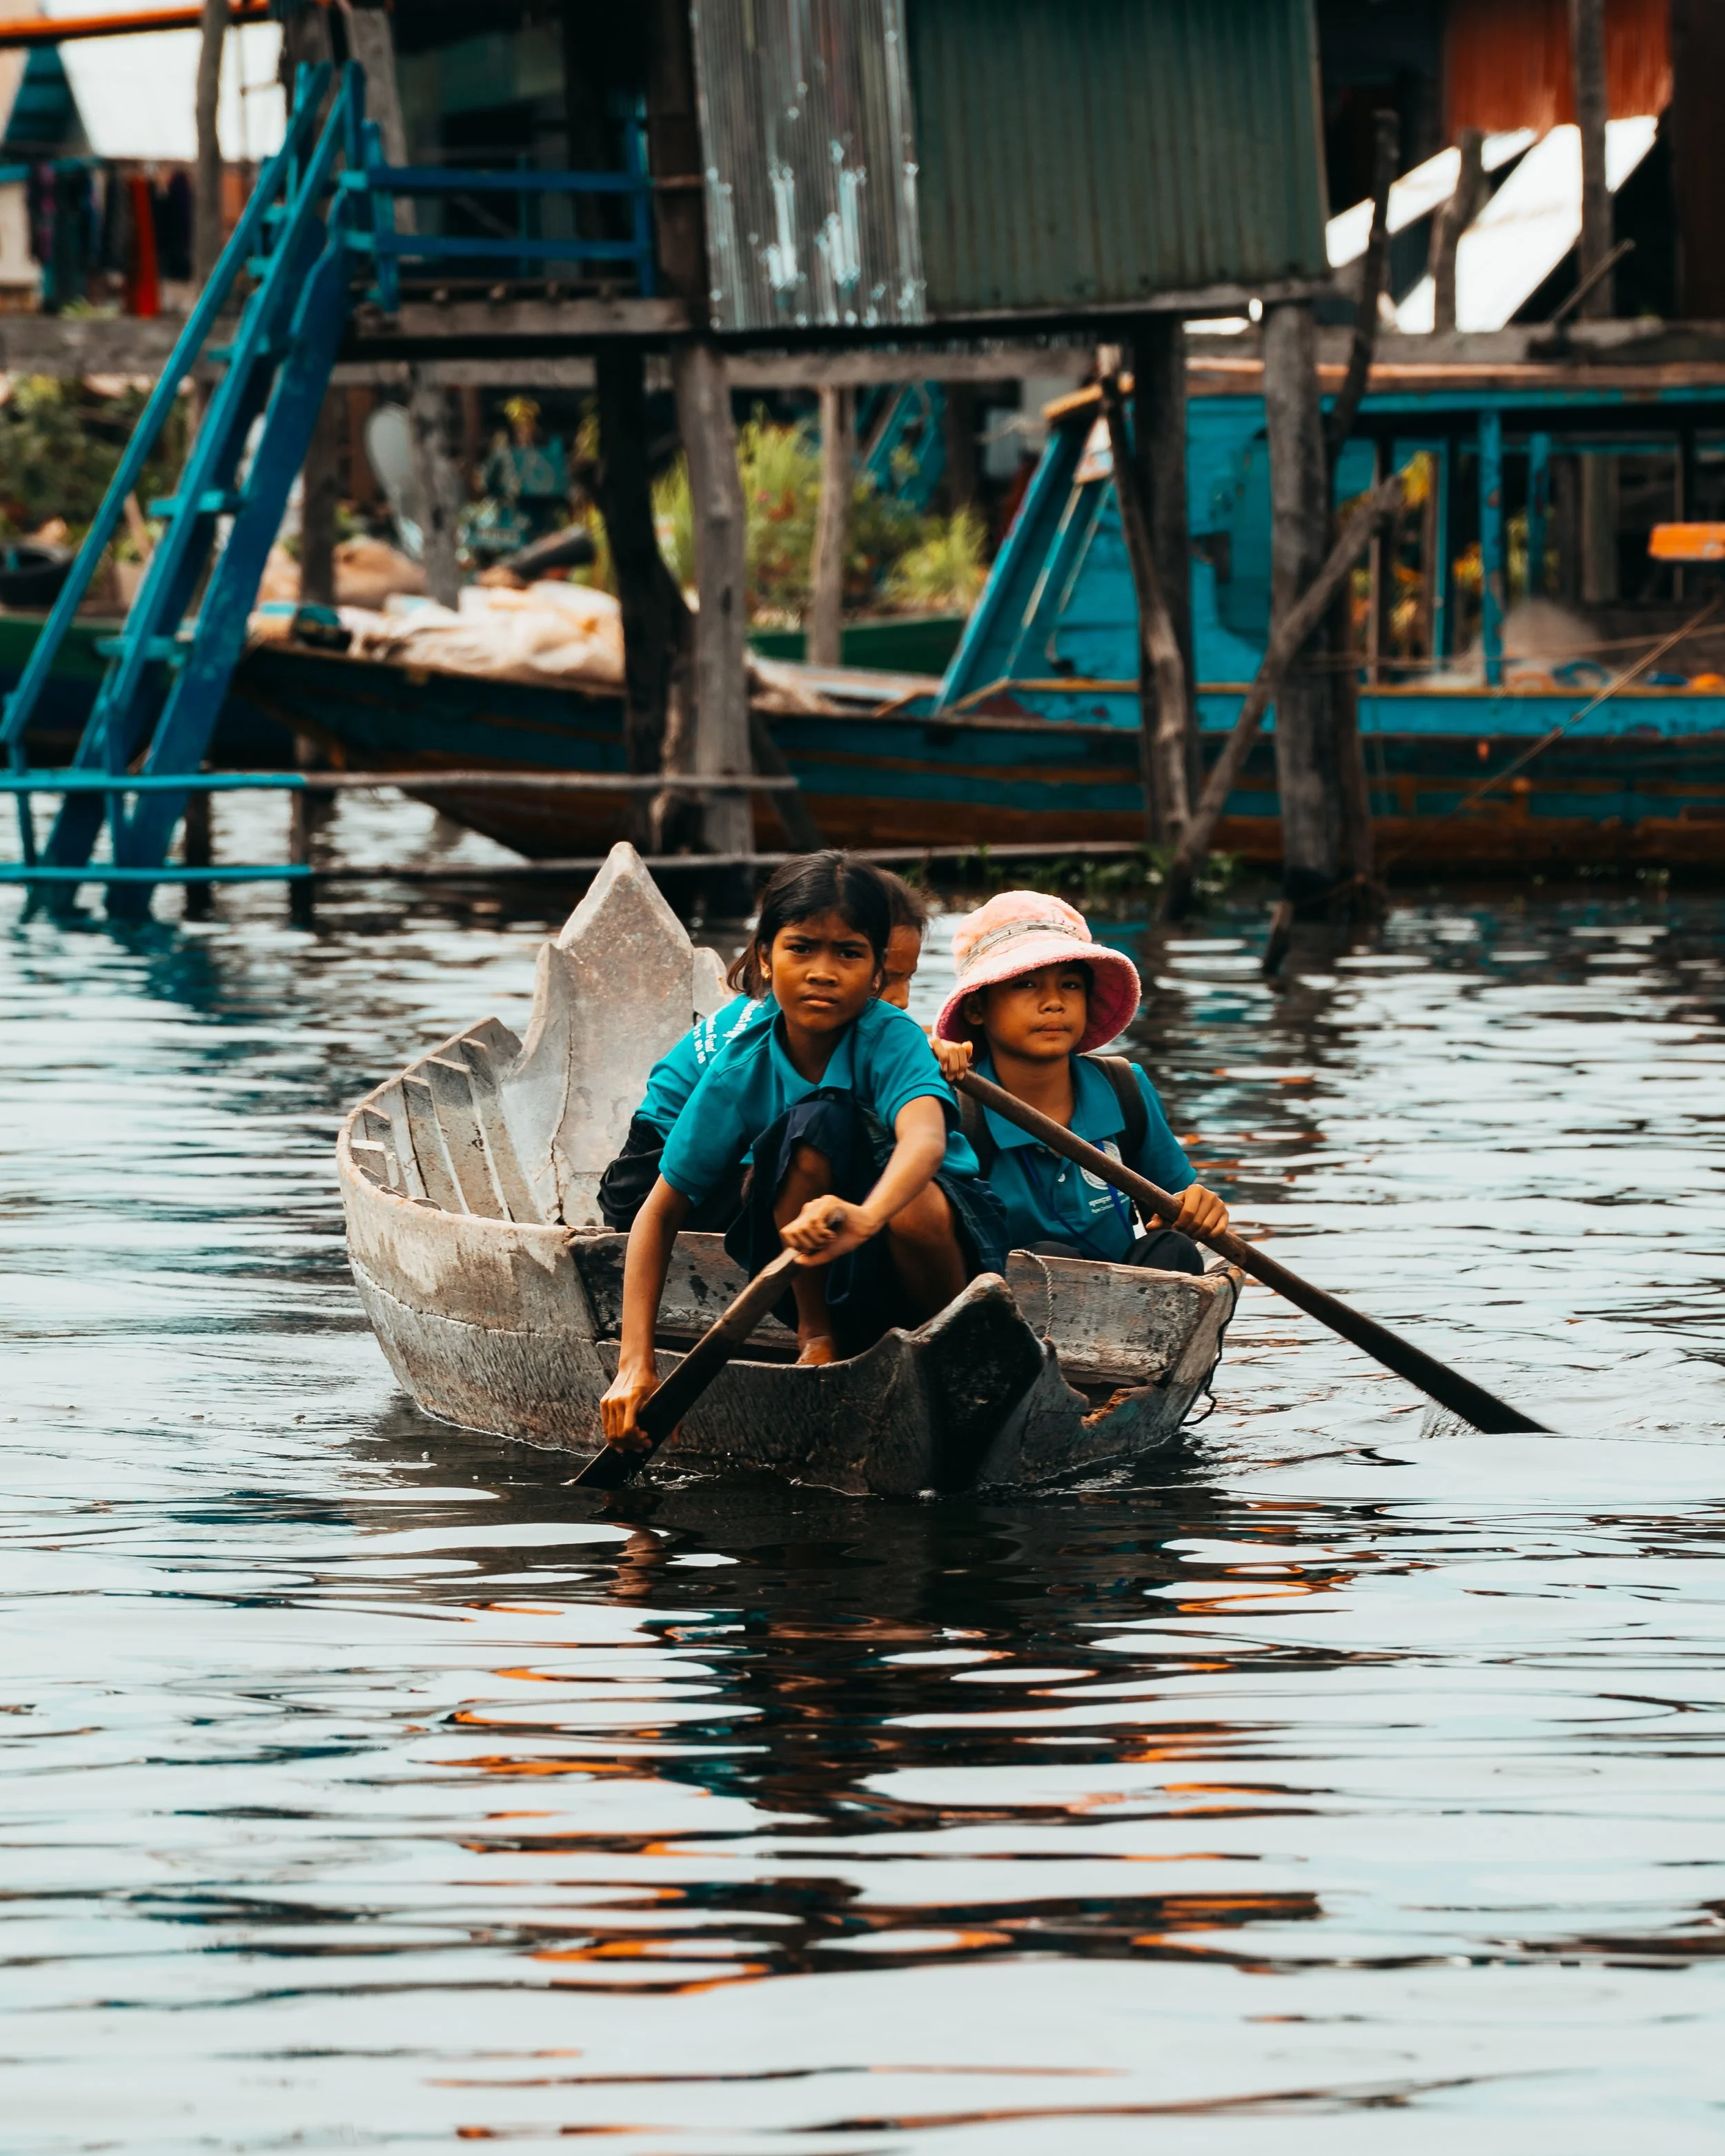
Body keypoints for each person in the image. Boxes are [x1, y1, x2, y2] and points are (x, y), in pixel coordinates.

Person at [598, 853, 1007, 1454]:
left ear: (876, 972)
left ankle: (948, 1339)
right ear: (766, 957)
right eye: (802, 948)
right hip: (816, 1259)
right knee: (807, 1126)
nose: (822, 971)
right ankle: (818, 1337)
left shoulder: (892, 1038)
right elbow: (657, 1212)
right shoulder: (740, 1064)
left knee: (906, 1197)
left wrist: (867, 1213)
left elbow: (924, 1140)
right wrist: (635, 1363)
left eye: (848, 953)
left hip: (934, 1241)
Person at [595, 869, 933, 1233]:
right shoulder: (765, 1036)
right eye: (891, 979)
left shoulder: (820, 1016)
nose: (902, 1000)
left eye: (906, 977)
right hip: (649, 1179)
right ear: (769, 957)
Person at [929, 890, 1229, 1271]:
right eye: (1026, 984)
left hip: (1128, 1302)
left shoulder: (1124, 1088)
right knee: (1049, 1259)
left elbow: (1174, 1204)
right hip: (1010, 1302)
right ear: (976, 1008)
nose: (1054, 1002)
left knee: (1174, 1250)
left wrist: (1198, 1209)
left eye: (1070, 985)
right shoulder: (960, 1105)